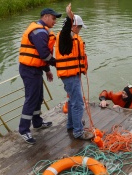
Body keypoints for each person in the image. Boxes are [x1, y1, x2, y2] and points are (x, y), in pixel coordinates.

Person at [18, 8, 62, 144]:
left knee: (39, 97)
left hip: (35, 69)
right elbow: (44, 54)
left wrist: (47, 69)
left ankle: (37, 122)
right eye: (54, 18)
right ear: (46, 17)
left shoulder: (42, 30)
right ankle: (24, 130)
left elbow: (38, 56)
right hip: (29, 70)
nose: (55, 22)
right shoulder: (39, 32)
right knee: (31, 99)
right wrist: (57, 64)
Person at [54, 3, 94, 140]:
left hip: (72, 75)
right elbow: (66, 32)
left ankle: (71, 125)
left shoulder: (73, 36)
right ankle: (78, 132)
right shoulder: (66, 36)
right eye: (80, 27)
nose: (81, 30)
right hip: (69, 76)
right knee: (78, 103)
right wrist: (68, 17)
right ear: (75, 26)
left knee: (72, 101)